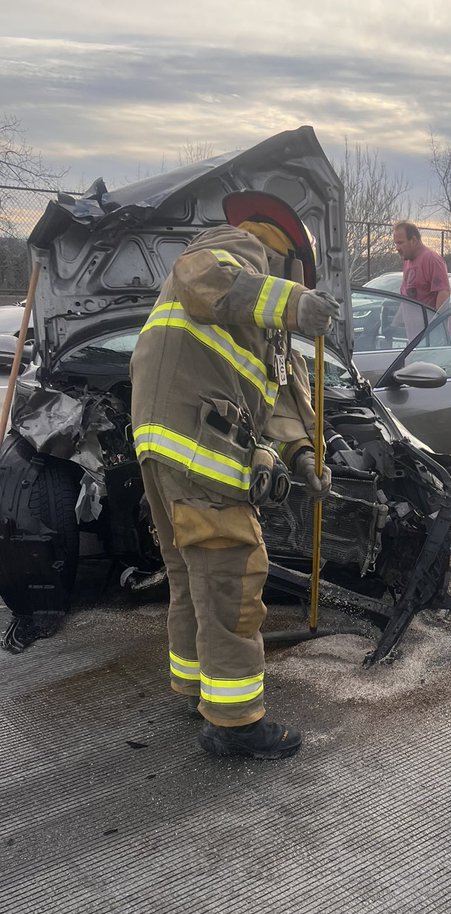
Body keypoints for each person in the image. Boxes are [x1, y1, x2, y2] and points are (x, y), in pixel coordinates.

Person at [129, 190, 340, 760]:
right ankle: (235, 723)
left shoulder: (258, 325)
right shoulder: (235, 247)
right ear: (288, 256)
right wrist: (297, 303)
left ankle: (195, 686)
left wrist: (303, 458)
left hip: (165, 448)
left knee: (192, 575)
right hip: (196, 449)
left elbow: (285, 401)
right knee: (232, 577)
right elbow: (202, 275)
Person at [393, 221, 451, 310]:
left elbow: (444, 292)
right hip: (413, 323)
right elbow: (406, 298)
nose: (397, 248)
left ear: (413, 240)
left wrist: (436, 322)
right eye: (396, 243)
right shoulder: (407, 260)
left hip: (429, 323)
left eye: (400, 243)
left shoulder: (432, 259)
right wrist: (396, 322)